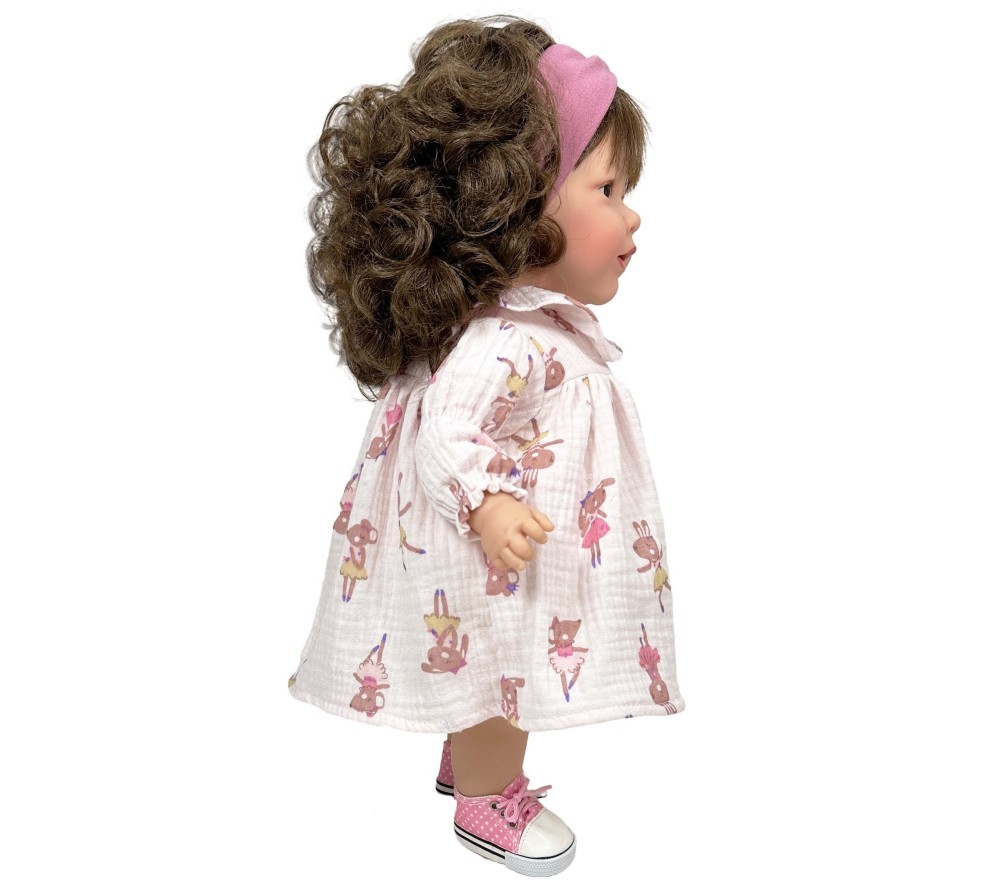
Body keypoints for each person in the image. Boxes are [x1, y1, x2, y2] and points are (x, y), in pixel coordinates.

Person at [287, 15, 685, 876]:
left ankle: (468, 751)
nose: (632, 214)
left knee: (499, 653)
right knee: (509, 653)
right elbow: (446, 431)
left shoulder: (532, 328)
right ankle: (485, 799)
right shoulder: (503, 340)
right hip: (486, 547)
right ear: (523, 205)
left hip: (500, 544)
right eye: (608, 189)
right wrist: (489, 504)